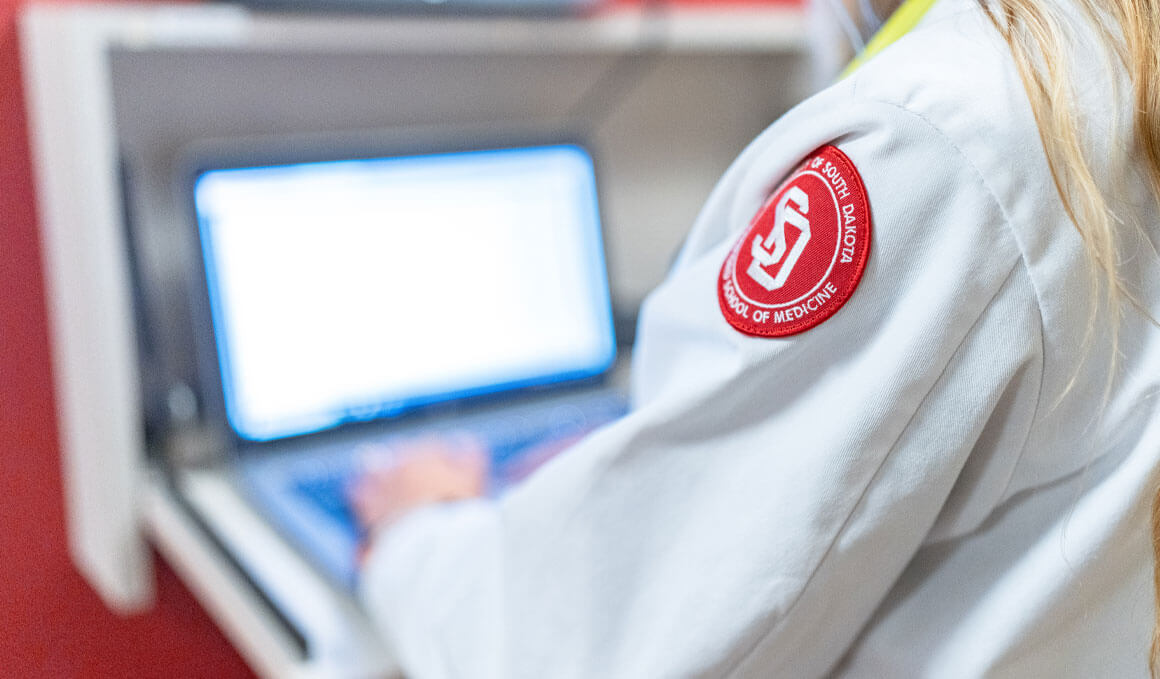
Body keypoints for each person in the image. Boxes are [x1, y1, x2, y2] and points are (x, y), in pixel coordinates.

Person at [349, 0, 1160, 675]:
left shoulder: (942, 129)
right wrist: (655, 458)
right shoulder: (1103, 70)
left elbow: (616, 644)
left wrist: (415, 532)